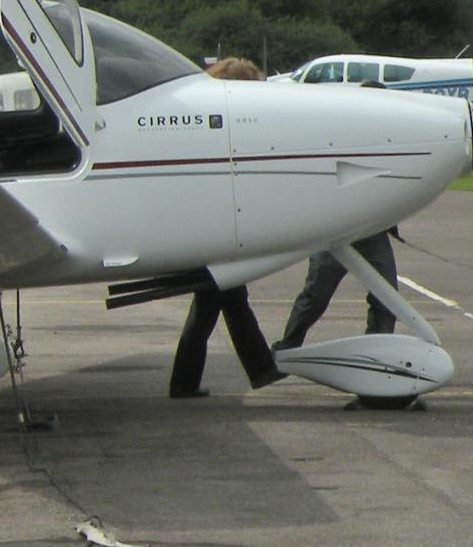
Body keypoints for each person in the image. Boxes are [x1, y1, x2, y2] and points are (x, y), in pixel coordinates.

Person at [168, 56, 282, 397]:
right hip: (216, 234)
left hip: (205, 231)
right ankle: (258, 369)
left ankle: (255, 370)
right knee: (224, 301)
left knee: (221, 303)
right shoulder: (226, 133)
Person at [272, 80, 402, 351]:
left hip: (373, 229)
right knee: (315, 297)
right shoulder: (340, 136)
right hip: (338, 230)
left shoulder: (394, 139)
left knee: (387, 296)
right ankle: (286, 348)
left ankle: (377, 353)